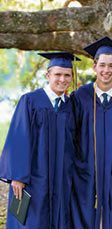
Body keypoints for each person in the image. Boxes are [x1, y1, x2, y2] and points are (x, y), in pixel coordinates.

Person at [0, 52, 79, 228]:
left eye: (67, 75)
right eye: (57, 74)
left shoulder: (70, 106)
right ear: (47, 75)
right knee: (31, 220)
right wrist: (18, 177)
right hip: (34, 177)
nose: (62, 79)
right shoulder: (30, 101)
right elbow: (18, 138)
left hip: (60, 177)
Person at [70, 36, 112, 228]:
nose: (106, 70)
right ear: (94, 66)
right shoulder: (80, 96)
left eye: (111, 66)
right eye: (102, 65)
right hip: (87, 171)